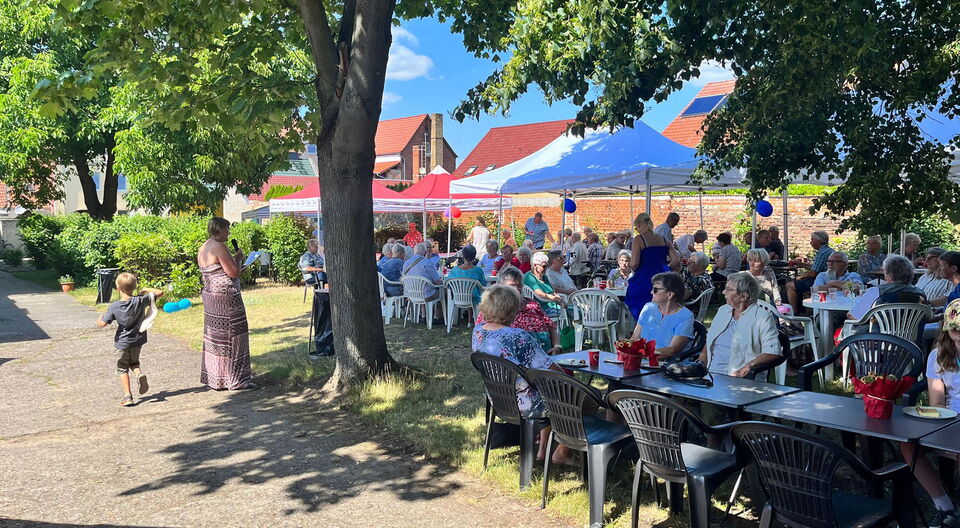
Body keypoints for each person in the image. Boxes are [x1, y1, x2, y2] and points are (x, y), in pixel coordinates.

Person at [472, 284, 571, 463]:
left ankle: (544, 450)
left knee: (549, 388)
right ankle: (561, 452)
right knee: (574, 397)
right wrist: (567, 379)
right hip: (527, 404)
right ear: (510, 310)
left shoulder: (478, 332)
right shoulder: (517, 336)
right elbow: (549, 368)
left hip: (500, 399)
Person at [899, 300, 960, 527]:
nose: (959, 333)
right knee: (908, 444)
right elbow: (937, 402)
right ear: (947, 327)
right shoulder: (939, 355)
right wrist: (943, 433)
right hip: (950, 418)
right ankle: (944, 505)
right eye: (955, 328)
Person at [197, 217, 254, 390]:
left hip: (210, 296)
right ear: (219, 229)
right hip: (226, 297)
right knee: (235, 334)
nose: (229, 232)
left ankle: (217, 378)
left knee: (217, 336)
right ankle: (237, 379)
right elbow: (234, 273)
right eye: (227, 229)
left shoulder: (204, 247)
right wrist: (238, 258)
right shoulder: (219, 247)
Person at [96, 272, 165, 406]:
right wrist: (145, 290)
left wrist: (99, 320)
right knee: (134, 362)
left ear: (117, 288)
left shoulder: (115, 306)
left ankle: (128, 397)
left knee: (122, 368)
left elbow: (103, 324)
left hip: (122, 343)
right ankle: (139, 374)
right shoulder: (141, 300)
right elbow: (160, 292)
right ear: (134, 287)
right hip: (138, 341)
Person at [700, 272, 782, 378]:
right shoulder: (723, 311)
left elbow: (773, 351)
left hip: (738, 378)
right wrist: (702, 356)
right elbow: (710, 338)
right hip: (710, 374)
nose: (724, 292)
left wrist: (749, 366)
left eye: (729, 289)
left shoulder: (762, 317)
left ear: (743, 296)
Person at [478, 266, 562, 354]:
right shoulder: (492, 308)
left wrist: (557, 346)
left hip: (545, 352)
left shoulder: (532, 305)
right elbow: (481, 337)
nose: (517, 289)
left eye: (519, 285)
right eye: (512, 285)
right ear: (501, 286)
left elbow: (551, 326)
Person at [625, 213, 680, 320]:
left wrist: (636, 269)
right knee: (660, 311)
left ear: (640, 225)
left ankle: (640, 333)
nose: (637, 230)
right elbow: (676, 261)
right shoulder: (663, 239)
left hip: (644, 278)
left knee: (642, 311)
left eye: (637, 227)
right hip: (663, 277)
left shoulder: (639, 239)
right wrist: (666, 269)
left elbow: (634, 263)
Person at [629, 272, 695, 358]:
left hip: (669, 366)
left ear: (670, 294)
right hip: (642, 360)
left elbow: (671, 350)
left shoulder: (685, 316)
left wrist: (641, 354)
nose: (651, 292)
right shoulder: (648, 308)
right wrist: (623, 348)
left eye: (655, 289)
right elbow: (635, 338)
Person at [848, 255, 926, 320]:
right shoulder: (920, 294)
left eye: (884, 273)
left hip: (877, 336)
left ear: (890, 275)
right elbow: (925, 317)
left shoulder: (875, 292)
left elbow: (854, 315)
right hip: (911, 337)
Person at [786, 230, 834, 313]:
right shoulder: (828, 250)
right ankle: (805, 311)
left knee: (790, 285)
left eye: (812, 240)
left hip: (821, 282)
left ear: (818, 241)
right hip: (828, 279)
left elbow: (813, 273)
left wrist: (800, 277)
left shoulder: (822, 253)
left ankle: (794, 313)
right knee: (799, 283)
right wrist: (801, 264)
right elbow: (816, 267)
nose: (810, 242)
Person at [524, 251, 566, 316]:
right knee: (570, 313)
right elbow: (539, 294)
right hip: (541, 309)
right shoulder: (529, 277)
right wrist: (556, 299)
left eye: (547, 266)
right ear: (535, 266)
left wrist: (558, 297)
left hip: (553, 305)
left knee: (577, 310)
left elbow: (552, 291)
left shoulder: (544, 277)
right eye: (544, 266)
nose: (546, 269)